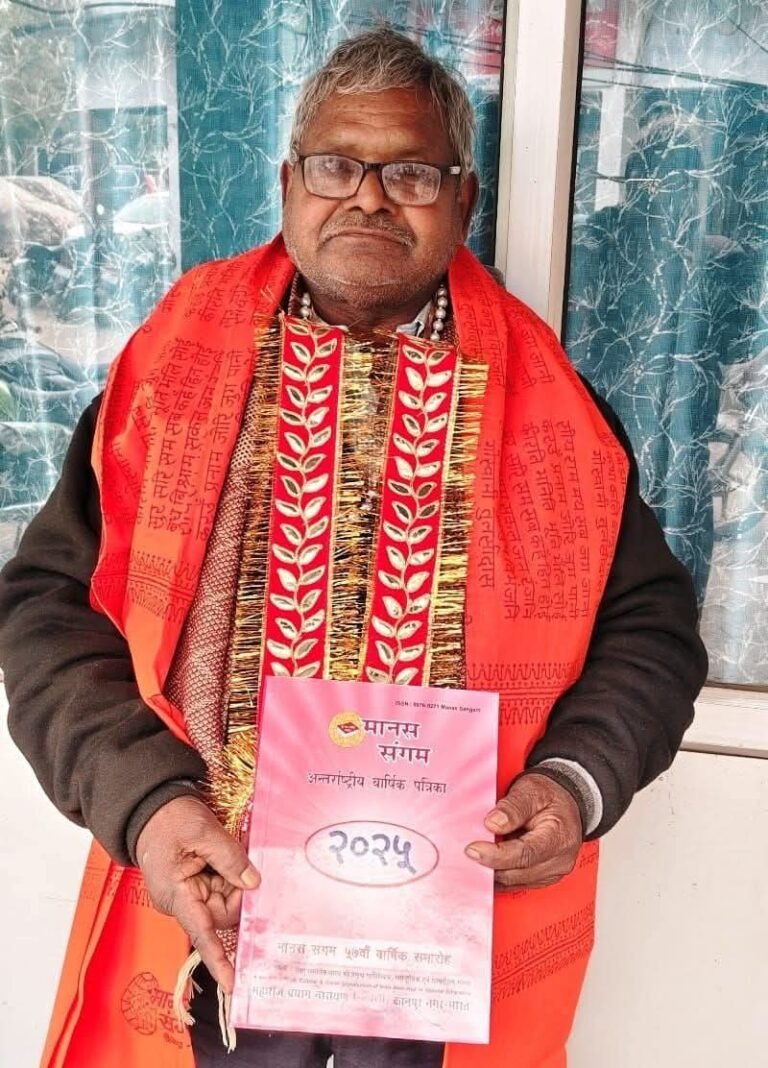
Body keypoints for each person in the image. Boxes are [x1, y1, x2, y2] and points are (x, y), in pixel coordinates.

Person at [0, 27, 706, 1068]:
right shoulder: (170, 374)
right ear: (289, 184)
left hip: (446, 939)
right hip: (212, 909)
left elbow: (650, 631)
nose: (368, 199)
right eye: (336, 165)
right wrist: (147, 805)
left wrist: (573, 783)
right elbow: (47, 611)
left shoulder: (556, 413)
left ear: (463, 201)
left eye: (411, 173)